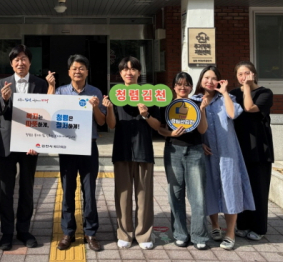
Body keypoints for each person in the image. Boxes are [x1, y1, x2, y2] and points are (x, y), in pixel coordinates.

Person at [0, 44, 50, 251]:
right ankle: (7, 233)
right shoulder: (2, 83)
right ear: (11, 63)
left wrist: (38, 142)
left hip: (29, 144)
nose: (20, 62)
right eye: (16, 59)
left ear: (30, 62)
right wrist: (4, 99)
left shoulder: (39, 83)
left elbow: (45, 112)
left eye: (24, 58)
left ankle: (24, 230)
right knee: (5, 190)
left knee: (27, 189)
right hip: (7, 143)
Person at [47, 54, 106, 252]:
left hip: (89, 146)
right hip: (67, 148)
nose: (78, 71)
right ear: (69, 72)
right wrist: (51, 86)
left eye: (81, 68)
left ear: (87, 72)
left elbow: (101, 121)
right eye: (74, 68)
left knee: (89, 191)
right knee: (67, 190)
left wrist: (96, 107)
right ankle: (68, 232)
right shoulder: (61, 91)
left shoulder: (95, 92)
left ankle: (90, 233)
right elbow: (48, 111)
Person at [192, 65, 254, 251]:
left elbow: (233, 114)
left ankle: (230, 232)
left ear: (219, 81)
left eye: (213, 78)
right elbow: (190, 128)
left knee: (230, 189)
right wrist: (199, 143)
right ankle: (215, 225)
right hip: (207, 152)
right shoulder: (194, 100)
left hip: (228, 153)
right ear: (201, 80)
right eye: (206, 77)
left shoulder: (228, 98)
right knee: (209, 188)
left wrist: (225, 92)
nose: (209, 81)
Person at [102, 56, 162, 250]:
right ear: (120, 74)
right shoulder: (116, 95)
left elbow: (157, 126)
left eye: (133, 68)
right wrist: (109, 109)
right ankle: (125, 233)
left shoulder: (149, 94)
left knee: (144, 195)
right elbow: (111, 125)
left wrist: (146, 114)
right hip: (122, 150)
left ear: (139, 72)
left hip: (144, 149)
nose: (129, 72)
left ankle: (144, 234)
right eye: (125, 69)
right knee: (123, 194)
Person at [158, 72, 209, 250]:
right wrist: (171, 133)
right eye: (179, 84)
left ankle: (199, 235)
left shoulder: (196, 104)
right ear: (174, 87)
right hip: (174, 151)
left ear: (191, 87)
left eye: (187, 84)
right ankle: (180, 234)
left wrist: (202, 109)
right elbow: (160, 129)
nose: (183, 87)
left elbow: (202, 130)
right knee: (175, 193)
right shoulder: (167, 105)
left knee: (198, 194)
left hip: (195, 151)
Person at [230, 61, 274, 241]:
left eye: (247, 73)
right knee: (241, 188)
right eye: (240, 74)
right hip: (239, 148)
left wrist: (247, 88)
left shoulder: (265, 93)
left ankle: (258, 228)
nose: (243, 77)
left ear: (254, 74)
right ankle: (243, 225)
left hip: (259, 150)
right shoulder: (233, 94)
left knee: (258, 189)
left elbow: (249, 108)